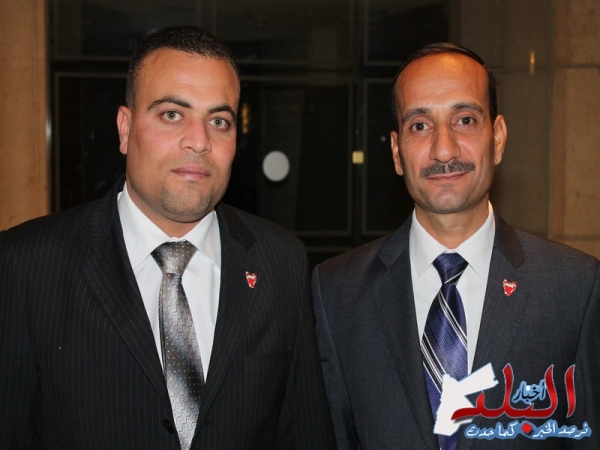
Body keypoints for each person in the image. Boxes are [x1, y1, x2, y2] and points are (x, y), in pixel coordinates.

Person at [0, 26, 335, 450]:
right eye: (172, 114)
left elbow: (305, 431)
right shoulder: (27, 264)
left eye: (219, 121)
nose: (199, 141)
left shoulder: (280, 261)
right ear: (125, 129)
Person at [312, 43, 599, 450]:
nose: (443, 149)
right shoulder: (336, 291)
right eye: (420, 126)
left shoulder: (575, 288)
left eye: (465, 120)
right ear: (396, 152)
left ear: (497, 139)